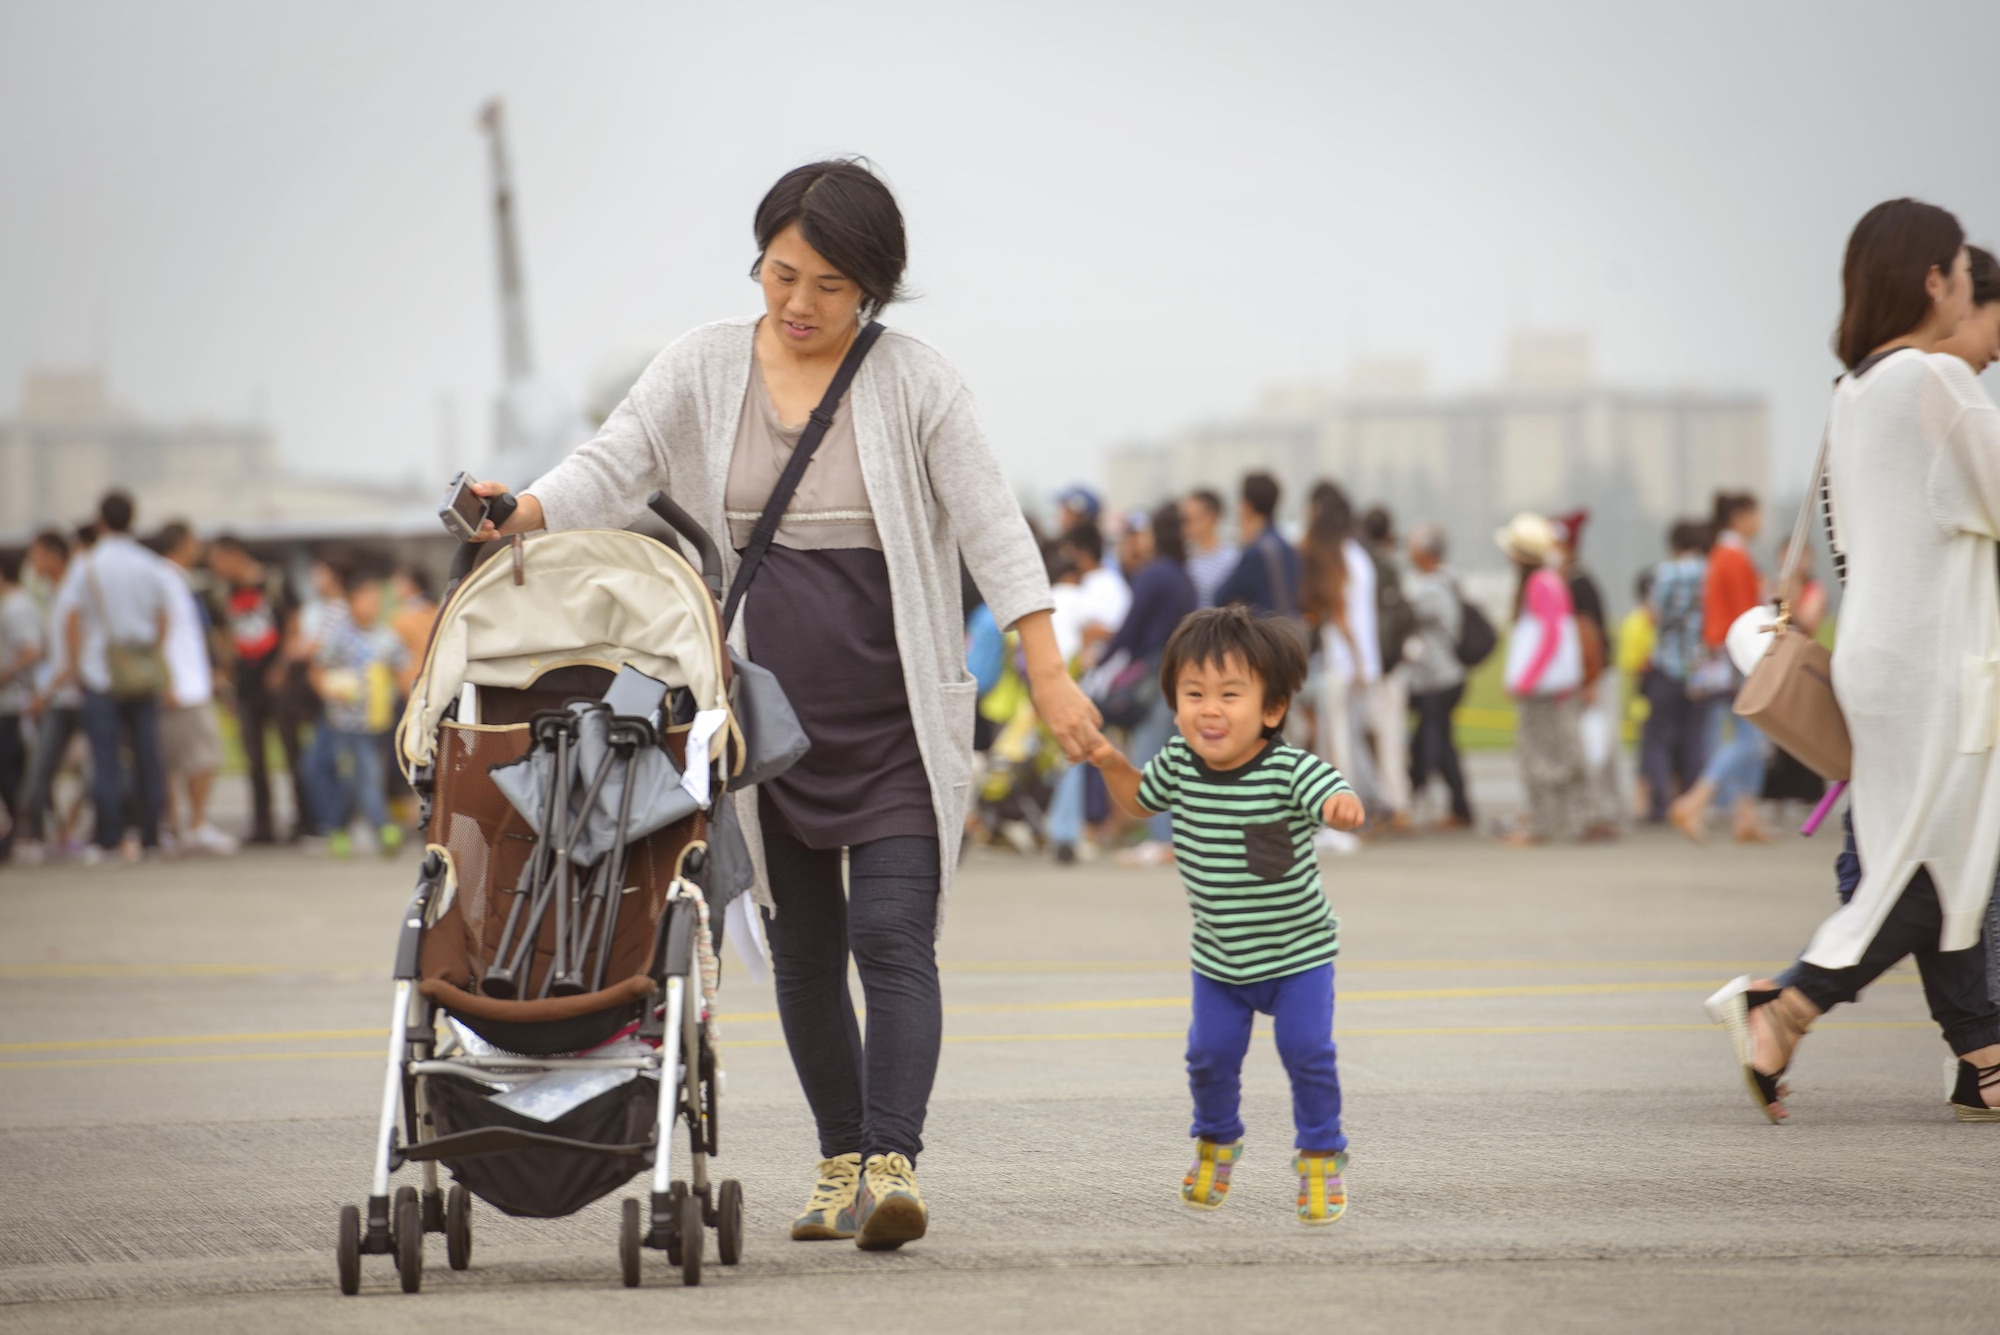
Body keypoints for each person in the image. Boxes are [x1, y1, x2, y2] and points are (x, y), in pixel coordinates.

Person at [462, 159, 1104, 1250]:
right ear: (759, 261)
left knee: (894, 936)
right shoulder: (702, 366)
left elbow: (994, 528)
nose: (799, 304)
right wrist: (517, 509)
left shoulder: (918, 383)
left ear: (873, 292)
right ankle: (837, 1159)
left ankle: (893, 1165)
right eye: (781, 273)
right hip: (765, 721)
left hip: (897, 713)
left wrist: (1045, 671)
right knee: (800, 949)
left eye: (830, 285)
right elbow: (612, 466)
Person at [1706, 197, 2000, 1124]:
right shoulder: (1937, 383)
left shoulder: (1857, 390)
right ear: (1932, 280)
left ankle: (1983, 1054)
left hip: (1879, 657)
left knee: (1943, 864)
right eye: (1959, 269)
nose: (1965, 286)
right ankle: (1784, 1004)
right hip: (1940, 667)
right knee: (1934, 864)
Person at [1085, 606, 1365, 1224]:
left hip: (1297, 956)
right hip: (1219, 960)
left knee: (1307, 1052)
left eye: (1229, 695)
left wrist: (1342, 805)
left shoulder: (1289, 770)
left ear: (1271, 709)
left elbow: (1329, 788)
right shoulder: (1179, 764)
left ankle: (1320, 1155)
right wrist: (1109, 760)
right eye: (1193, 694)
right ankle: (1216, 1139)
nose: (1209, 709)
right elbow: (1138, 800)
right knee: (1207, 1056)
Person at [56, 491, 178, 863]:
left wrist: (76, 667)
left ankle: (109, 838)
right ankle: (151, 836)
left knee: (106, 759)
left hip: (100, 671)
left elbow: (72, 619)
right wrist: (149, 653)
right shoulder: (151, 564)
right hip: (140, 672)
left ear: (100, 521)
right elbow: (163, 615)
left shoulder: (87, 565)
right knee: (147, 757)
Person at [1101, 499, 1197, 867]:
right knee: (1178, 758)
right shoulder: (1183, 574)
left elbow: (1130, 629)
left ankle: (1162, 840)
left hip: (1156, 671)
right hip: (1182, 671)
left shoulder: (1154, 574)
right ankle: (1181, 838)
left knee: (1149, 756)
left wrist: (1103, 662)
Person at [1669, 492, 1769, 843]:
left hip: (1721, 656)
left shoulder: (1721, 555)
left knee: (1745, 736)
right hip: (1737, 657)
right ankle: (1695, 801)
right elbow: (1748, 617)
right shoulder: (1734, 557)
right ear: (1739, 517)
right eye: (1756, 514)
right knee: (1750, 740)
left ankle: (1745, 816)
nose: (1760, 523)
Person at [207, 536, 308, 845]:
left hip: (278, 682)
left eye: (218, 560)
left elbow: (294, 626)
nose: (216, 568)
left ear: (234, 554)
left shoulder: (274, 582)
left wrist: (281, 667)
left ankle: (304, 820)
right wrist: (225, 678)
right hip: (246, 685)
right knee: (254, 757)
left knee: (292, 753)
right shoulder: (223, 592)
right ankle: (262, 825)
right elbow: (225, 636)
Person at [1497, 512, 1589, 846]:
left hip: (1542, 686)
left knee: (1537, 754)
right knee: (1559, 751)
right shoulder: (1552, 580)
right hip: (1555, 684)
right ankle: (1563, 820)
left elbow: (1549, 635)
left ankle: (1543, 823)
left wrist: (1527, 678)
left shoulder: (1538, 584)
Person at [151, 522, 236, 856]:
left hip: (189, 681)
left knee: (177, 759)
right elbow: (158, 631)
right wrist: (167, 679)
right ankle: (193, 825)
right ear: (181, 543)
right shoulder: (163, 578)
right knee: (200, 756)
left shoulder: (177, 578)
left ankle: (177, 825)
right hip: (181, 685)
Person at [309, 568, 405, 857]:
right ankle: (383, 826)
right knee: (368, 773)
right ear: (351, 602)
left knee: (355, 777)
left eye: (376, 598)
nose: (373, 604)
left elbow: (401, 670)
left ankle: (337, 828)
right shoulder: (340, 637)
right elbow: (317, 669)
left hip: (377, 720)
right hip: (346, 721)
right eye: (367, 598)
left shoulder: (386, 636)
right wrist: (328, 690)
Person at [1552, 510, 1621, 839]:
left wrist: (1590, 679)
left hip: (1593, 677)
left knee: (1595, 748)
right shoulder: (1567, 579)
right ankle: (1591, 812)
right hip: (1583, 678)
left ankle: (1601, 814)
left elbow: (1589, 634)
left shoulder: (1578, 582)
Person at [16, 530, 82, 863]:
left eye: (37, 554)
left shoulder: (72, 592)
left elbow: (74, 655)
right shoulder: (52, 593)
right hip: (62, 695)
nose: (32, 562)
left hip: (75, 695)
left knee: (46, 767)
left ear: (55, 555)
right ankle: (40, 834)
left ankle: (43, 833)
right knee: (42, 769)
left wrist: (45, 692)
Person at [1402, 521, 1472, 829]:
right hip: (1442, 677)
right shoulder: (1445, 581)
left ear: (1425, 553)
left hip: (1439, 678)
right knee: (1442, 744)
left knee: (1429, 744)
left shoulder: (1433, 586)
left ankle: (1415, 797)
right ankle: (1461, 807)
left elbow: (1406, 611)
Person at [1641, 521, 1711, 823]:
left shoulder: (1666, 572)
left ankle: (1660, 805)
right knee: (1695, 738)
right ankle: (1692, 805)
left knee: (1658, 739)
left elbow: (1653, 615)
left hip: (1667, 664)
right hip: (1701, 668)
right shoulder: (1712, 570)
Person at [1359, 506, 1413, 830]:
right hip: (1386, 664)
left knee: (1387, 738)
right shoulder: (1384, 565)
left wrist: (1381, 662)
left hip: (1382, 666)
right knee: (1386, 738)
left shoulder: (1375, 567)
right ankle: (1393, 804)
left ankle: (1395, 805)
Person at [0, 552, 43, 863]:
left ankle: (21, 835)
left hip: (14, 704)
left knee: (12, 774)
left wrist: (5, 673)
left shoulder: (16, 607)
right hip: (10, 703)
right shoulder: (11, 606)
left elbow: (31, 649)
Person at [1213, 472, 1300, 617]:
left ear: (1247, 506)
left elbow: (1221, 597)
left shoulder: (1254, 553)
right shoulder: (1287, 547)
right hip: (1287, 632)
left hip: (1265, 633)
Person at [1180, 488, 1237, 608]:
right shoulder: (1183, 556)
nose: (1185, 524)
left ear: (1211, 517)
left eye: (1190, 518)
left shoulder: (1232, 559)